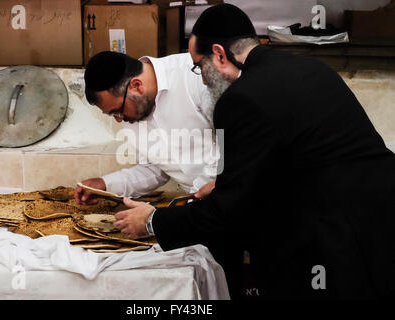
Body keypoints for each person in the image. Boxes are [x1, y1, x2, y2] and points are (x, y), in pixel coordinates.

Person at [113, 4, 395, 299]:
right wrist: (227, 185)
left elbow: (228, 213)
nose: (203, 78)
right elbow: (298, 159)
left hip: (330, 246)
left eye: (200, 67)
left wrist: (152, 220)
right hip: (380, 224)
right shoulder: (313, 69)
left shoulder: (241, 99)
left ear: (220, 54)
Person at [75, 51, 218, 204]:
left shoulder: (194, 75)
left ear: (136, 86)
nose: (118, 119)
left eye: (118, 111)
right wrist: (104, 184)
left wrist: (191, 203)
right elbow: (154, 170)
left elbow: (229, 145)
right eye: (112, 114)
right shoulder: (132, 112)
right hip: (198, 204)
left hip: (232, 193)